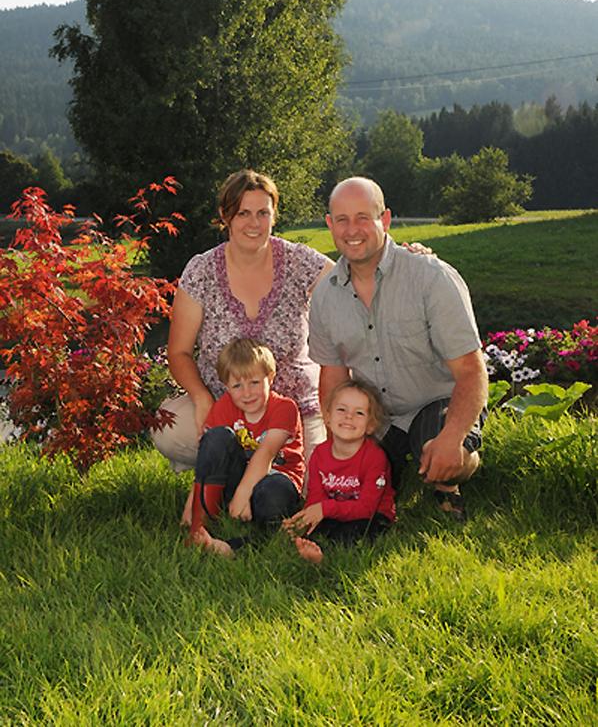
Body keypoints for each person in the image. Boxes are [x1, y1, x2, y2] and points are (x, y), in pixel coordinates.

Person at [151, 169, 333, 521]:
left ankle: (243, 480)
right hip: (227, 408)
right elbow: (179, 352)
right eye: (243, 213)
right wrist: (203, 399)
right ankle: (230, 471)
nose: (254, 223)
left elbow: (351, 282)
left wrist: (402, 256)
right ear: (225, 216)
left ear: (274, 215)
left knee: (312, 487)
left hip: (293, 411)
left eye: (263, 212)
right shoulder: (202, 270)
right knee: (169, 427)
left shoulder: (300, 262)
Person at [308, 177, 488, 522]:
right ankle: (397, 466)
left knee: (441, 452)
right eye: (342, 220)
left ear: (385, 219)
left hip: (437, 402)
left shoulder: (431, 278)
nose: (352, 230)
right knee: (363, 479)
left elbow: (471, 370)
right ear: (330, 224)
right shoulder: (325, 296)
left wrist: (454, 438)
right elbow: (332, 376)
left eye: (363, 217)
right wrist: (338, 448)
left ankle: (451, 478)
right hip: (376, 414)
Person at [188, 338, 303, 556]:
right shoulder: (224, 406)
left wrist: (244, 493)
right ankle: (201, 528)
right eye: (237, 386)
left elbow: (267, 452)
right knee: (215, 437)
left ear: (270, 377)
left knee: (272, 494)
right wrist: (191, 510)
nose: (247, 393)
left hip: (276, 480)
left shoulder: (285, 407)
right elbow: (207, 460)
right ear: (226, 387)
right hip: (238, 480)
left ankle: (245, 544)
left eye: (254, 383)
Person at [284, 379, 395, 564]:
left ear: (370, 425)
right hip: (335, 511)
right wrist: (306, 517)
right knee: (318, 527)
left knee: (356, 532)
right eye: (341, 409)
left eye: (359, 413)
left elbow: (366, 508)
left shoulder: (375, 457)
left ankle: (324, 554)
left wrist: (324, 509)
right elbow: (316, 496)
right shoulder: (319, 454)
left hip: (372, 514)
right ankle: (312, 546)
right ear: (327, 417)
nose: (349, 417)